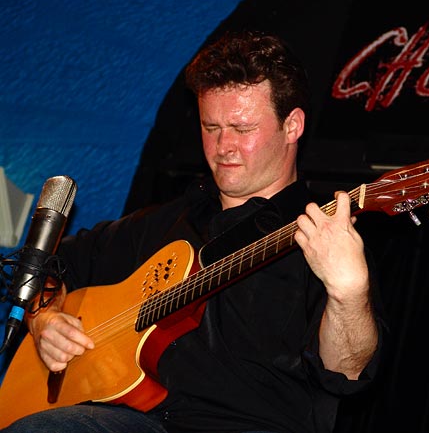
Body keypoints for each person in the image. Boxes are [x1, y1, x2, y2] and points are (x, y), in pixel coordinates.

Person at [2, 30, 383, 433]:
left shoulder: (326, 237)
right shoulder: (167, 220)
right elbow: (49, 267)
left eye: (242, 127)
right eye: (210, 126)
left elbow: (346, 371)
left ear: (292, 125)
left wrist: (349, 292)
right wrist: (44, 318)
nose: (223, 146)